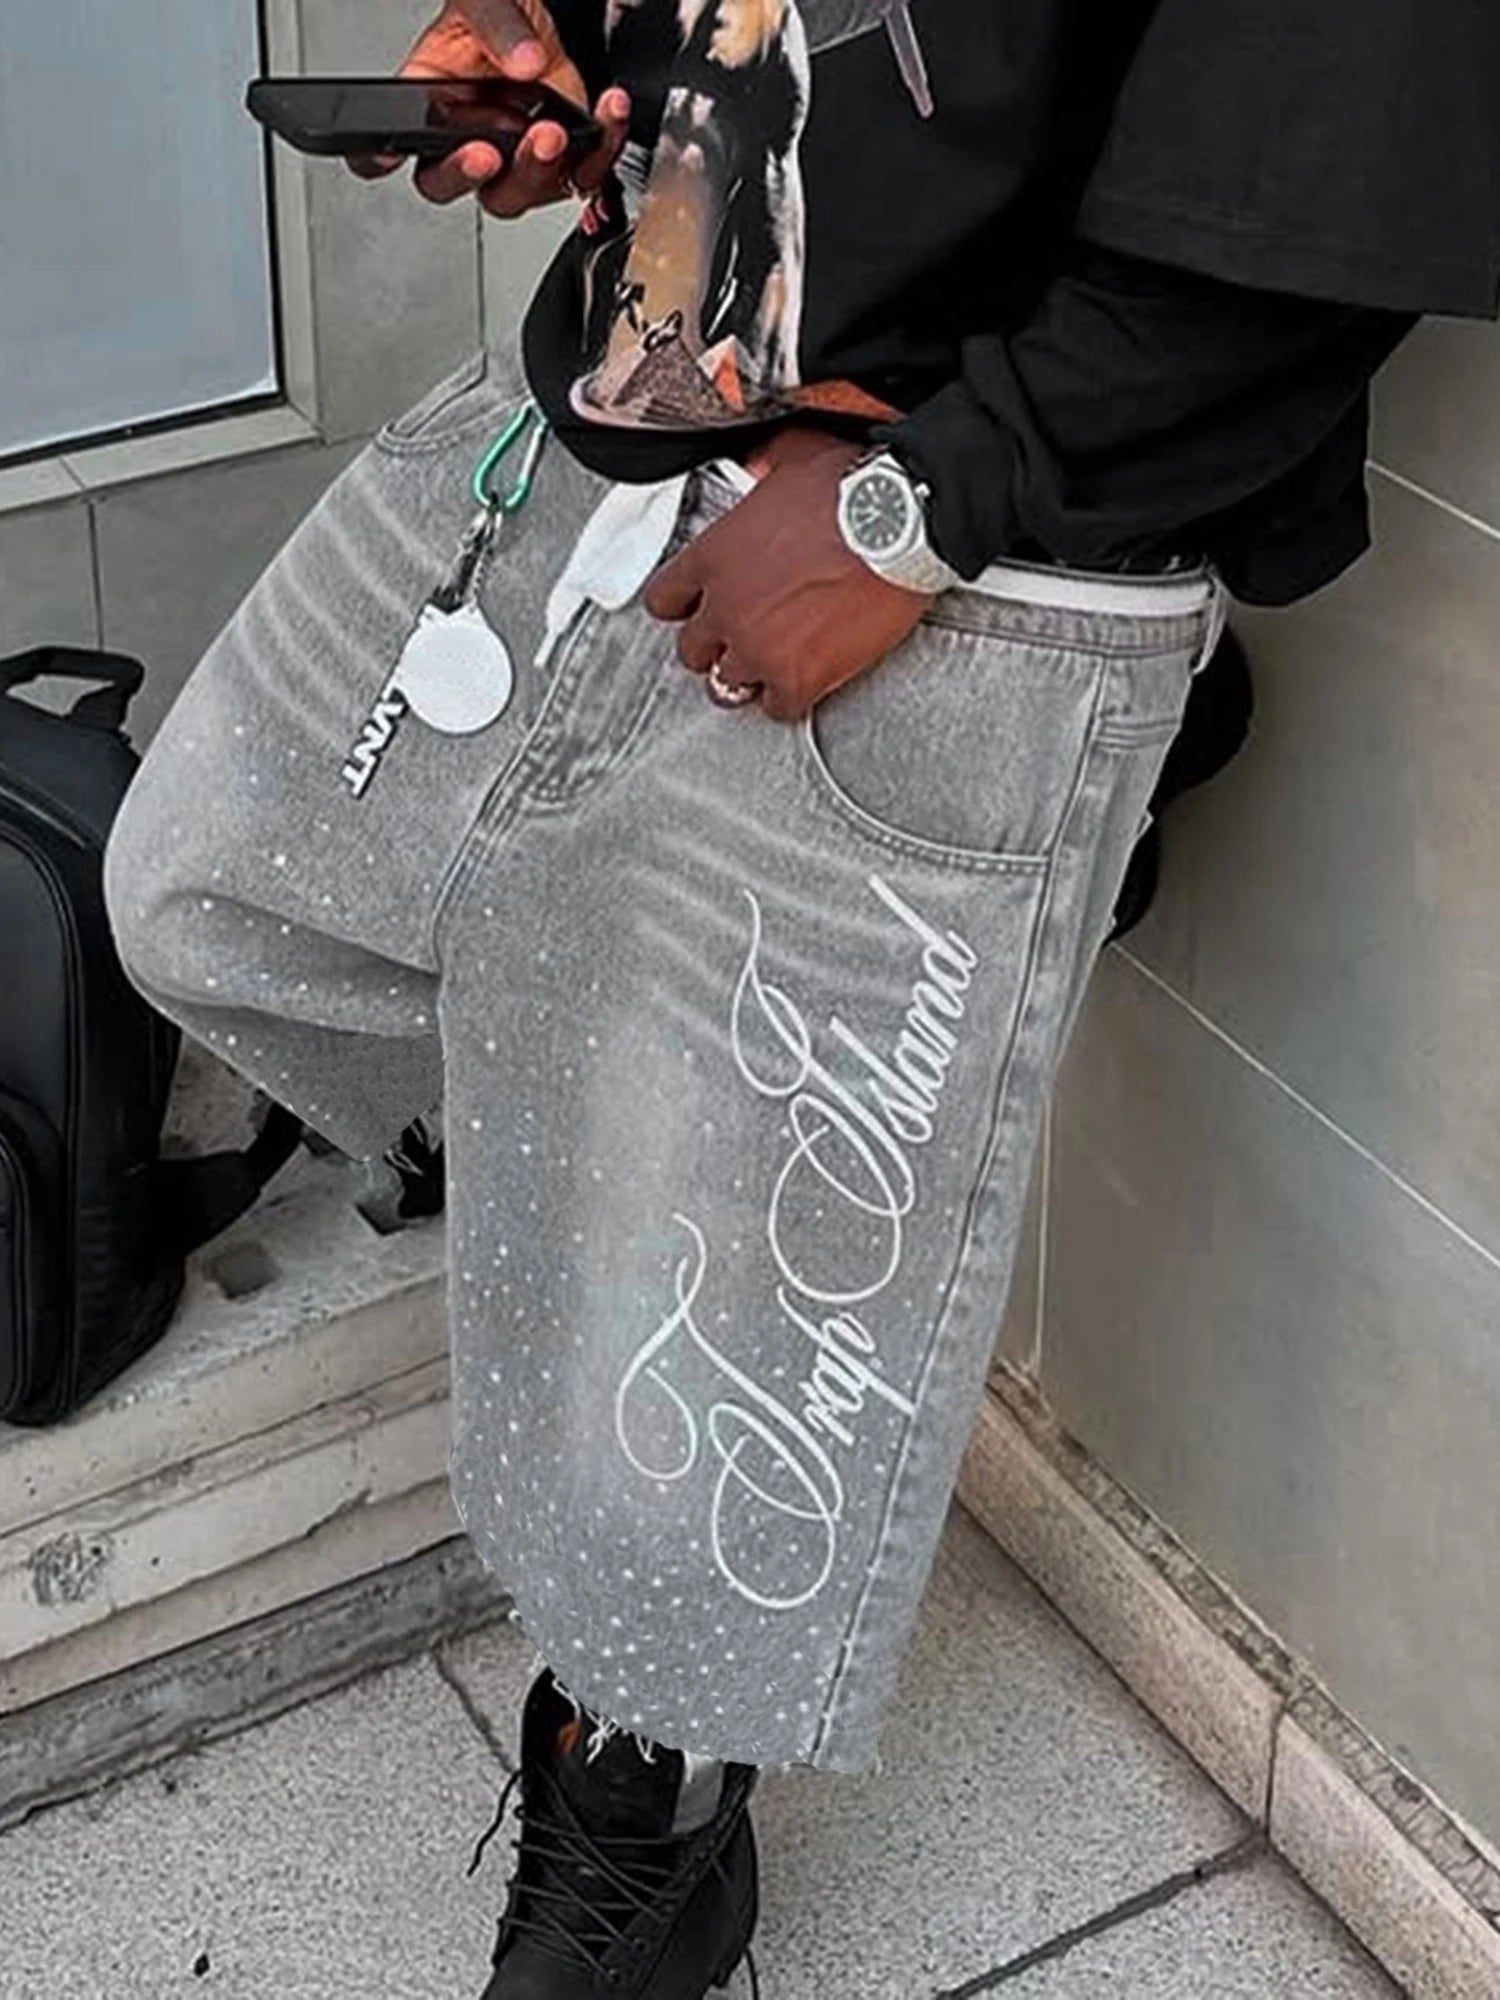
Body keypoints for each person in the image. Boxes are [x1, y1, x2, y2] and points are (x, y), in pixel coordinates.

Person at [105, 2, 1497, 1993]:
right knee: (202, 891)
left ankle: (648, 1793)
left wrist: (917, 506)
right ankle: (1007, 882)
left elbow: (1312, 211)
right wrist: (564, 65)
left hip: (956, 530)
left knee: (699, 1335)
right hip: (635, 398)